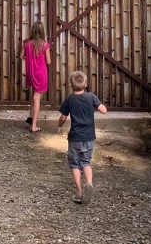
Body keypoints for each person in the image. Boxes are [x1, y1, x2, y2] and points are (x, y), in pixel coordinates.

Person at [58, 70, 107, 204]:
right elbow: (103, 110)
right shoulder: (91, 97)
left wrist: (59, 125)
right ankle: (89, 183)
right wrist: (97, 106)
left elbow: (63, 117)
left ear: (71, 85)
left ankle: (79, 193)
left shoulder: (69, 100)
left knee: (75, 165)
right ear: (85, 84)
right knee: (86, 163)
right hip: (89, 137)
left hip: (75, 138)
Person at [21, 22, 51, 132]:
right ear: (42, 31)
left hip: (30, 72)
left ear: (32, 31)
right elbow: (48, 61)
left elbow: (21, 56)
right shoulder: (45, 45)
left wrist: (30, 58)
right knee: (37, 98)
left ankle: (30, 118)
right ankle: (33, 126)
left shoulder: (27, 44)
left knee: (34, 95)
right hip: (41, 74)